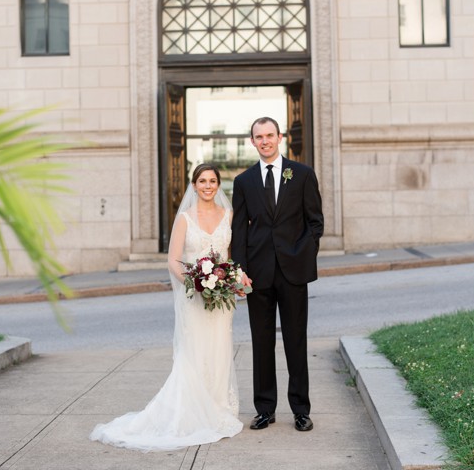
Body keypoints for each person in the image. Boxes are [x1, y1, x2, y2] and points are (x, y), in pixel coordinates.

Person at [90, 163, 242, 451]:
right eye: (202, 181)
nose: (208, 186)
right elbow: (173, 259)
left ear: (218, 185)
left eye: (212, 181)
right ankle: (191, 412)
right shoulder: (185, 218)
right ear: (194, 185)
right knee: (194, 352)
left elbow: (230, 256)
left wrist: (229, 280)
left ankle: (218, 407)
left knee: (219, 348)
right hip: (194, 297)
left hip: (221, 299)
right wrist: (196, 282)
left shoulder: (229, 216)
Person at [231, 116, 324, 432]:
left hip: (293, 271)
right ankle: (265, 409)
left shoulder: (301, 174)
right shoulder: (243, 182)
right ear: (252, 141)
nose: (265, 141)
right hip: (258, 273)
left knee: (296, 341)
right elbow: (239, 230)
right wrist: (241, 270)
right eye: (259, 137)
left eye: (270, 135)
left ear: (280, 137)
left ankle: (300, 409)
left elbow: (315, 222)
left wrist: (303, 253)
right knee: (261, 342)